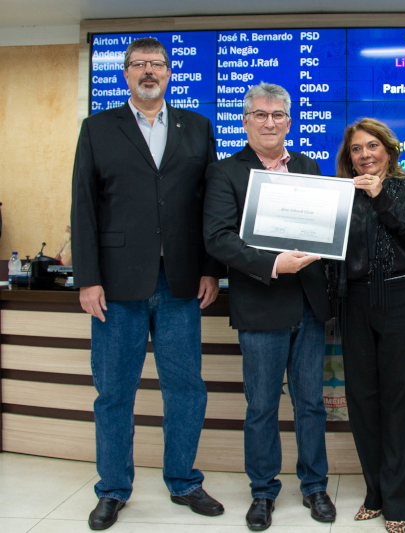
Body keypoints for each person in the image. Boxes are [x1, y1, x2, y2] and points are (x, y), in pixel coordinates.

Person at [70, 37, 226, 530]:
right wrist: (88, 279)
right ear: (125, 74)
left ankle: (183, 480)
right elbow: (84, 207)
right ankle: (113, 489)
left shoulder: (198, 127)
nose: (148, 71)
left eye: (156, 63)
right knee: (114, 391)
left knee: (186, 388)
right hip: (116, 286)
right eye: (139, 64)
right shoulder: (97, 128)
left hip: (181, 282)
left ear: (169, 72)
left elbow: (209, 206)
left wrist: (209, 267)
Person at [203, 82, 335, 531]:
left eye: (278, 115)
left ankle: (315, 486)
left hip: (309, 305)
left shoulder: (308, 166)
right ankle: (263, 491)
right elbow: (218, 238)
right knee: (261, 406)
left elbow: (321, 228)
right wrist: (274, 262)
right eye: (260, 115)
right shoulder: (225, 172)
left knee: (311, 404)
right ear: (245, 121)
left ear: (289, 121)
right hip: (260, 304)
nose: (269, 122)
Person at [332, 118, 405, 533]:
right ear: (348, 157)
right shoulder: (341, 193)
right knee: (363, 401)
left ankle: (398, 503)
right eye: (356, 149)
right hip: (355, 301)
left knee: (401, 403)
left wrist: (381, 199)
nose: (365, 155)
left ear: (390, 151)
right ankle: (375, 492)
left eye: (372, 146)